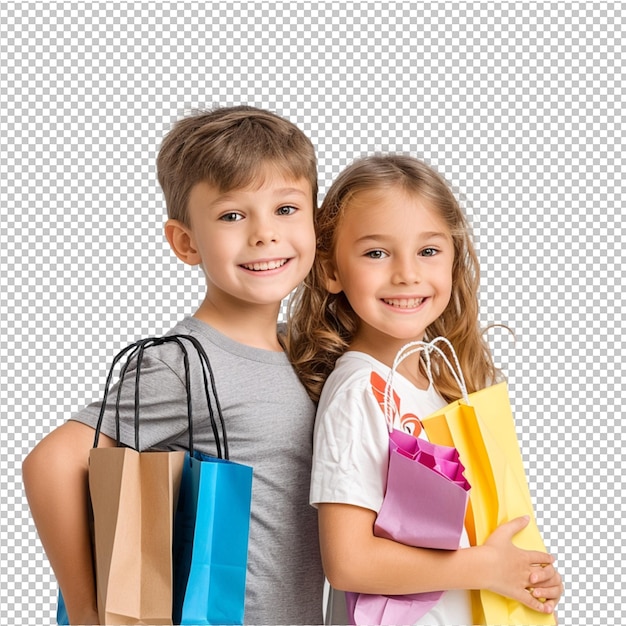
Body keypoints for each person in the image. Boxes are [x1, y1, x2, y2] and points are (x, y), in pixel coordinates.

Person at [22, 105, 324, 625]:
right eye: (232, 215)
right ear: (186, 242)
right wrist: (90, 611)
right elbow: (50, 464)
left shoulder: (304, 351)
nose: (264, 234)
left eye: (287, 209)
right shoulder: (183, 363)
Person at [287, 154, 563, 624]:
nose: (407, 274)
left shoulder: (439, 388)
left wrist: (523, 574)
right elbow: (349, 562)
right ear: (331, 269)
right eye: (377, 253)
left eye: (428, 251)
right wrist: (485, 568)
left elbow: (459, 540)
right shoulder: (359, 390)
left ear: (454, 261)